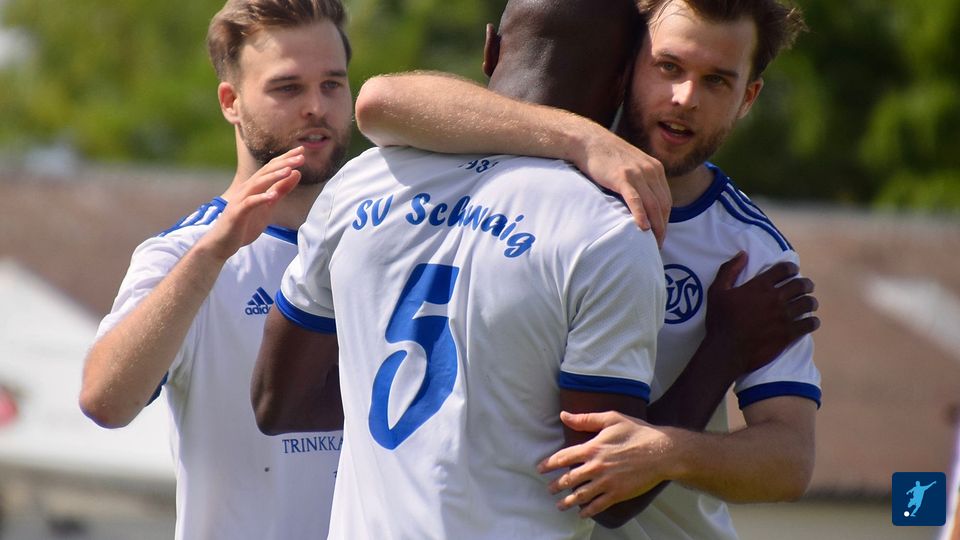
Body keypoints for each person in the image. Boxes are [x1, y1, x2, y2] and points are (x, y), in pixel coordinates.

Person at [352, 0, 821, 538]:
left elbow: (789, 458)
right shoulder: (537, 162)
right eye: (668, 66)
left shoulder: (752, 254)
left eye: (716, 80)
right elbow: (381, 102)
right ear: (629, 63)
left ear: (748, 98)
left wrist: (670, 452)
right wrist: (584, 139)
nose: (685, 97)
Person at [253, 1, 668, 537]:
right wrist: (724, 349)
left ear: (490, 49)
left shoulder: (364, 178)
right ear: (623, 83)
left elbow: (277, 403)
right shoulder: (610, 231)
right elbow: (605, 493)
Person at [78, 1, 352, 538]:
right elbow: (104, 401)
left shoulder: (383, 244)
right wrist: (211, 254)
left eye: (332, 84)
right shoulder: (184, 253)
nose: (316, 107)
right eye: (288, 87)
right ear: (231, 102)